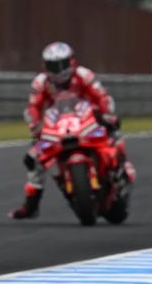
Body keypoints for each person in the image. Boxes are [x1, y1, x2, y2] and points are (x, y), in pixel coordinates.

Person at [9, 41, 133, 219]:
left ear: (71, 62)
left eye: (62, 64)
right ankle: (31, 204)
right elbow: (33, 107)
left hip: (88, 121)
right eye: (53, 65)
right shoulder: (40, 82)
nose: (58, 70)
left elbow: (101, 96)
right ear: (46, 66)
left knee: (115, 135)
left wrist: (108, 115)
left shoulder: (84, 75)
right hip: (57, 127)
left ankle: (123, 168)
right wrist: (35, 126)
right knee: (32, 158)